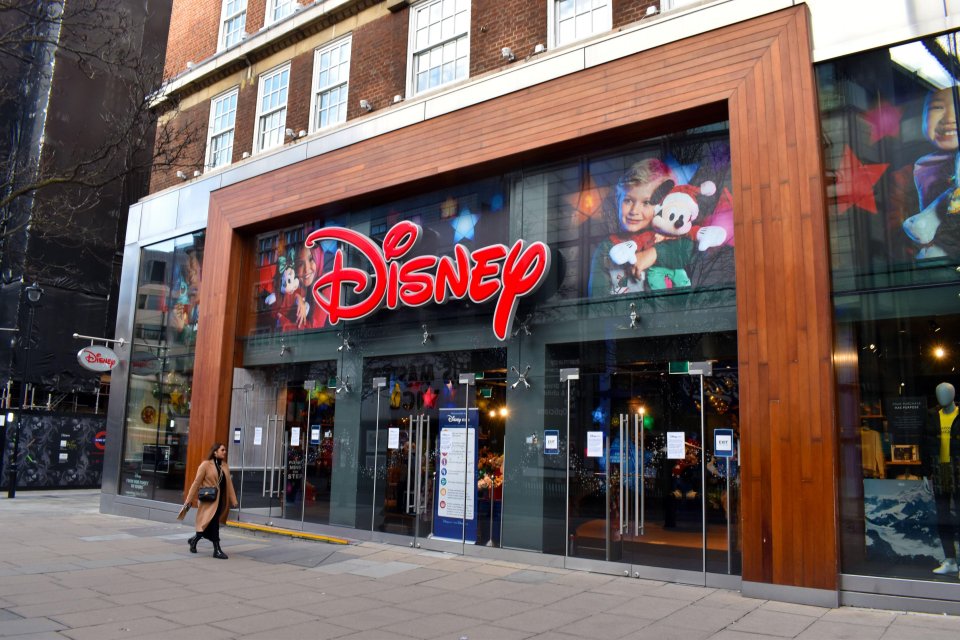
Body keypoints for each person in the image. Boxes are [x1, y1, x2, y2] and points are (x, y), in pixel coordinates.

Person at [588, 158, 675, 297]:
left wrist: (655, 253)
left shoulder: (669, 239)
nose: (634, 210)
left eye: (646, 202)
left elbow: (687, 250)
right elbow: (598, 306)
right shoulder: (606, 248)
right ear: (618, 200)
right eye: (628, 200)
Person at [926, 382, 960, 577]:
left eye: (946, 393)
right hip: (940, 470)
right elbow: (925, 442)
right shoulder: (932, 416)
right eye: (939, 393)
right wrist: (925, 471)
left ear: (954, 394)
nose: (942, 396)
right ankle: (950, 560)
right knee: (943, 517)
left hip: (958, 467)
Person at [186, 442, 238, 559]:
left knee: (209, 524)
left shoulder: (224, 466)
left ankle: (194, 541)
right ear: (215, 452)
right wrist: (188, 499)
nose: (225, 452)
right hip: (208, 500)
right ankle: (217, 550)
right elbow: (196, 483)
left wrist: (233, 499)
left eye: (225, 450)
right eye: (222, 450)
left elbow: (229, 484)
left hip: (219, 501)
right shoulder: (205, 465)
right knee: (213, 524)